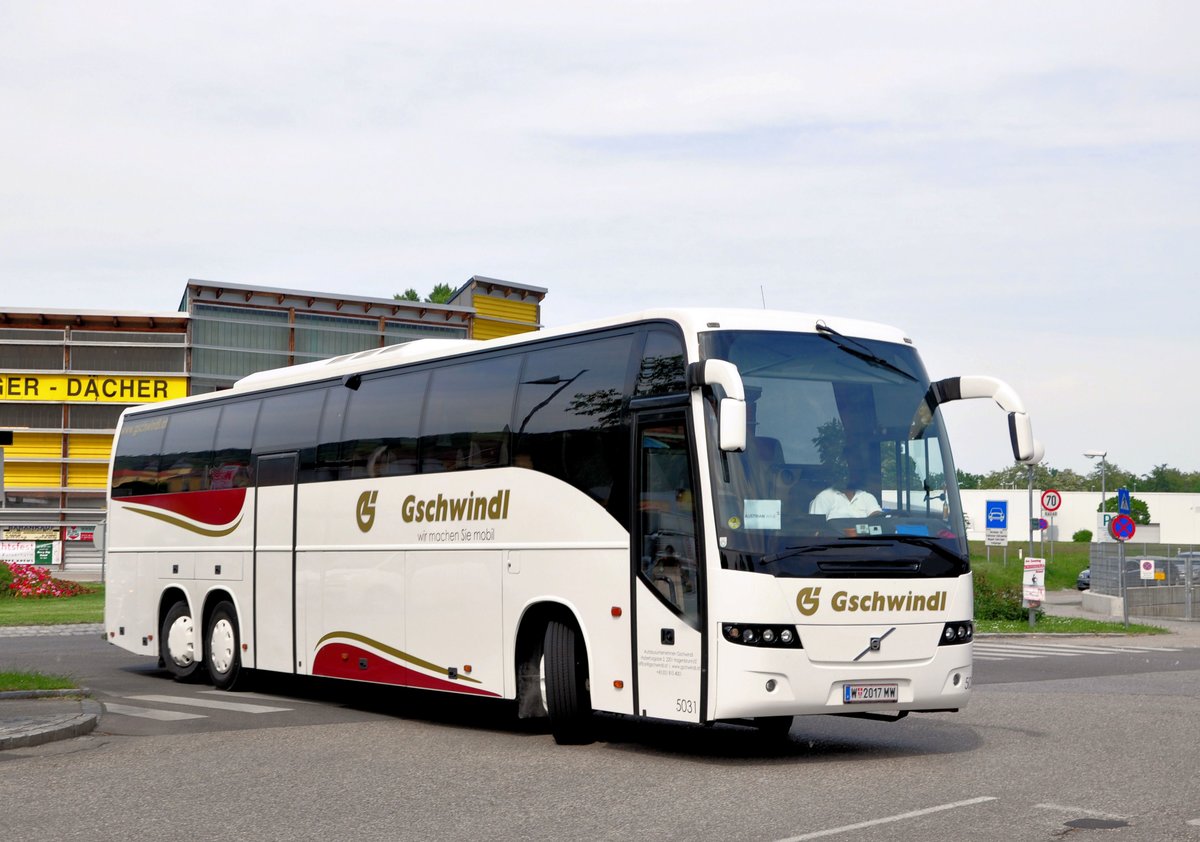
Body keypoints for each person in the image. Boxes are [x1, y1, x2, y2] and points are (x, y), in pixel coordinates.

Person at [809, 473, 883, 520]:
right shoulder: (824, 497)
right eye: (843, 473)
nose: (846, 477)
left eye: (852, 472)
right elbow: (816, 529)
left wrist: (876, 517)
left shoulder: (867, 497)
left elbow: (877, 517)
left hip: (865, 543)